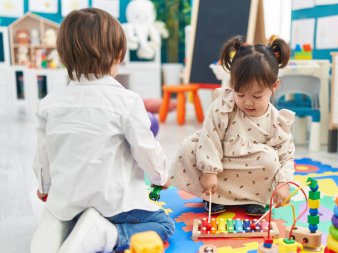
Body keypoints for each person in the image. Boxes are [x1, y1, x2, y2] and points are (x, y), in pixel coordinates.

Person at [30, 8, 174, 253]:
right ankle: (107, 233)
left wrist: (45, 188)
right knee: (164, 224)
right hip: (114, 205)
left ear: (64, 56)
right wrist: (161, 177)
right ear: (119, 55)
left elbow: (43, 158)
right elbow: (146, 150)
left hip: (68, 200)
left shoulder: (49, 104)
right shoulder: (127, 101)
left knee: (62, 209)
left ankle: (58, 225)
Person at [170, 35, 295, 215]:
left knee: (270, 159)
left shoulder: (277, 121)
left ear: (274, 86)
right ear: (232, 85)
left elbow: (286, 156)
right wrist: (209, 170)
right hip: (219, 163)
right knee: (189, 147)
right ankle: (213, 196)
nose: (248, 102)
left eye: (257, 96)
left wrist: (283, 183)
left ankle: (254, 199)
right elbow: (209, 137)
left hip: (252, 173)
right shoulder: (224, 106)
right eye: (240, 94)